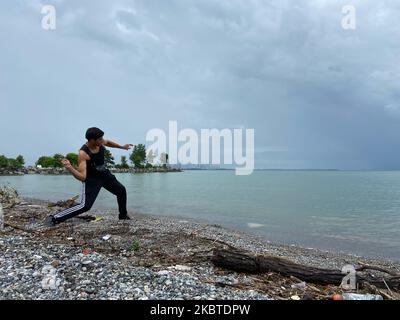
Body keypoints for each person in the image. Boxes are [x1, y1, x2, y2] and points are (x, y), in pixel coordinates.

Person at [45, 127, 134, 226]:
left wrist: (122, 147)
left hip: (104, 175)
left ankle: (123, 215)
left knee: (121, 190)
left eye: (102, 138)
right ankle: (54, 218)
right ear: (92, 140)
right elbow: (82, 177)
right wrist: (70, 168)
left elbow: (108, 142)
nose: (102, 140)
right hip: (92, 180)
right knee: (85, 206)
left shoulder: (100, 142)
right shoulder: (83, 154)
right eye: (100, 139)